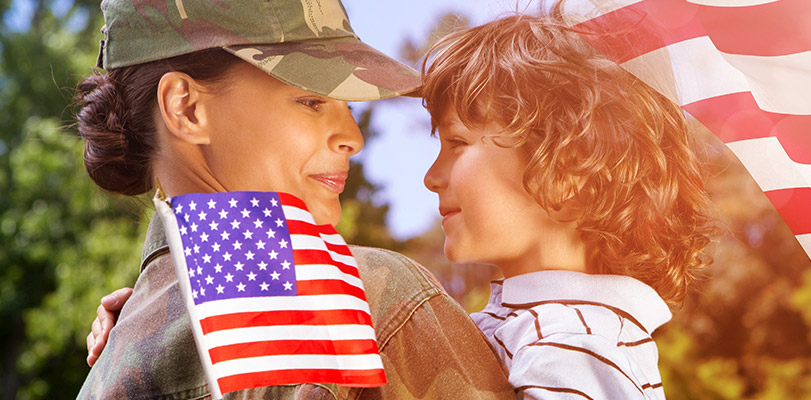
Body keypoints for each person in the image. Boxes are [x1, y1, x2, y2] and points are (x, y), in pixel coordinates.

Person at [74, 1, 512, 398]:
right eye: (311, 101)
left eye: (350, 108)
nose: (353, 139)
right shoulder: (373, 302)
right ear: (187, 109)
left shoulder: (110, 361)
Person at [420, 11, 718, 399]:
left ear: (565, 170)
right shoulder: (547, 328)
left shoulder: (574, 343)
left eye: (456, 143)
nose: (431, 176)